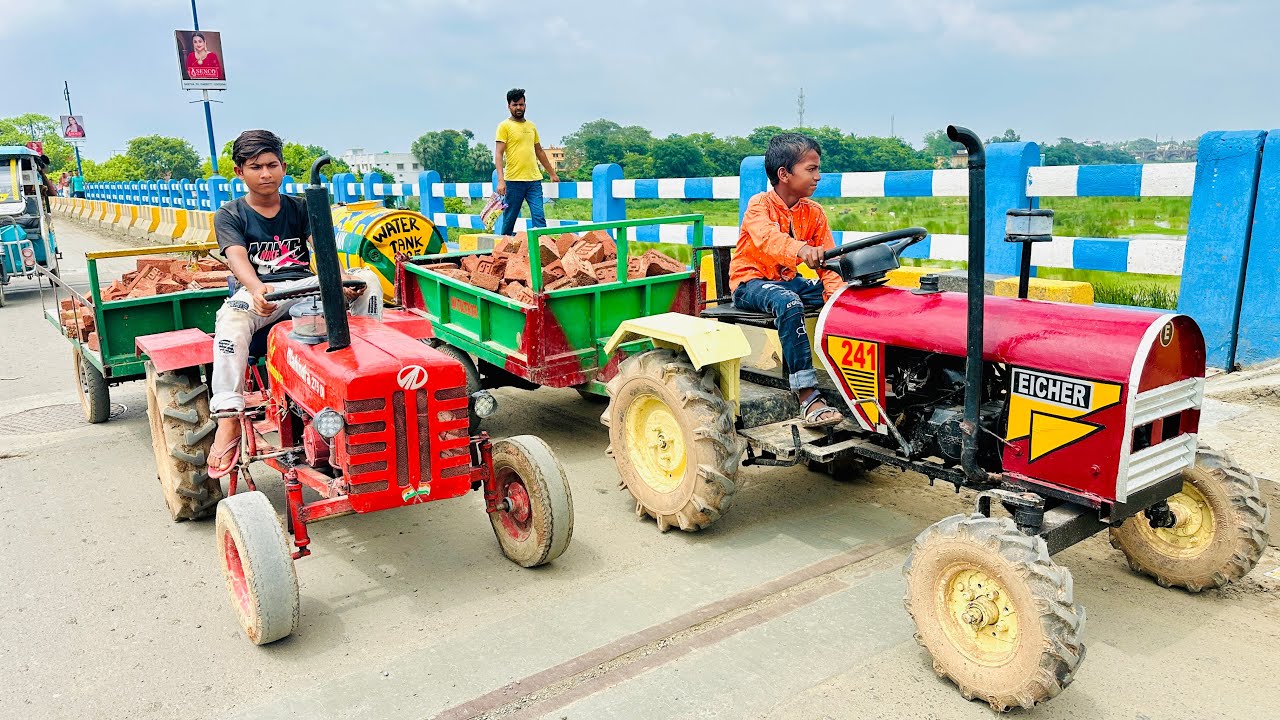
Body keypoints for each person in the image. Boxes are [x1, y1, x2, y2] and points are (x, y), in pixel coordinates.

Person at [207, 129, 382, 477]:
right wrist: (256, 289)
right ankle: (227, 416)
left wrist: (341, 279)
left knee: (370, 281)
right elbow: (237, 257)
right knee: (230, 323)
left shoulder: (301, 207)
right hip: (262, 293)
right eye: (256, 166)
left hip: (305, 286)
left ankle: (369, 370)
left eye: (272, 165)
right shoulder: (230, 214)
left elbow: (323, 249)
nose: (266, 173)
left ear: (284, 167)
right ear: (240, 172)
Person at [729, 133, 844, 426]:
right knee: (789, 302)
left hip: (787, 282)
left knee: (848, 296)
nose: (818, 176)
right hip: (751, 283)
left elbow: (828, 264)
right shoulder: (759, 206)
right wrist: (801, 249)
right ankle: (807, 394)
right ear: (784, 174)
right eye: (811, 169)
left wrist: (835, 298)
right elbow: (769, 240)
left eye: (818, 168)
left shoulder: (814, 213)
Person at [494, 88, 558, 236]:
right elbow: (498, 153)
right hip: (513, 181)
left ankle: (542, 252)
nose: (518, 108)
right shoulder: (504, 126)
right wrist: (500, 180)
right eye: (515, 104)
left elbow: (539, 151)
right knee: (509, 219)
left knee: (539, 218)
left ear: (525, 105)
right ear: (509, 106)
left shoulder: (531, 126)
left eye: (521, 104)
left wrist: (552, 173)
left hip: (534, 181)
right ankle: (504, 254)